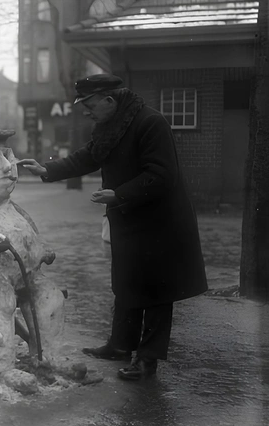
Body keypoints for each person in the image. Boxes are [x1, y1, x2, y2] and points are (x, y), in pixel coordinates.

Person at [20, 74, 207, 381]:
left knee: (158, 292)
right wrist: (48, 169)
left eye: (90, 105)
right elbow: (90, 156)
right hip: (129, 218)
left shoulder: (151, 123)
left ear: (110, 101)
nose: (86, 112)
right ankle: (120, 345)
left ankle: (148, 359)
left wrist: (119, 193)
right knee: (126, 282)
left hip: (160, 221)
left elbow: (161, 175)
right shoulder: (112, 124)